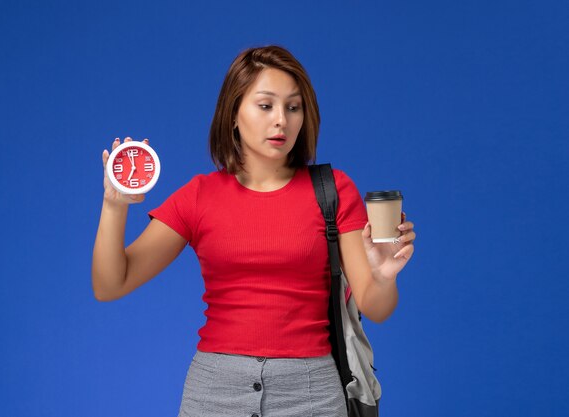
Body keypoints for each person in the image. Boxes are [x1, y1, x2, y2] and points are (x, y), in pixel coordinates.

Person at [92, 45, 416, 417]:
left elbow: (376, 308)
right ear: (233, 114)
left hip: (312, 393)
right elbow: (110, 284)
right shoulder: (199, 196)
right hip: (215, 392)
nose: (281, 120)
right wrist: (114, 205)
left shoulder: (334, 190)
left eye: (293, 107)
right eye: (266, 106)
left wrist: (384, 275)